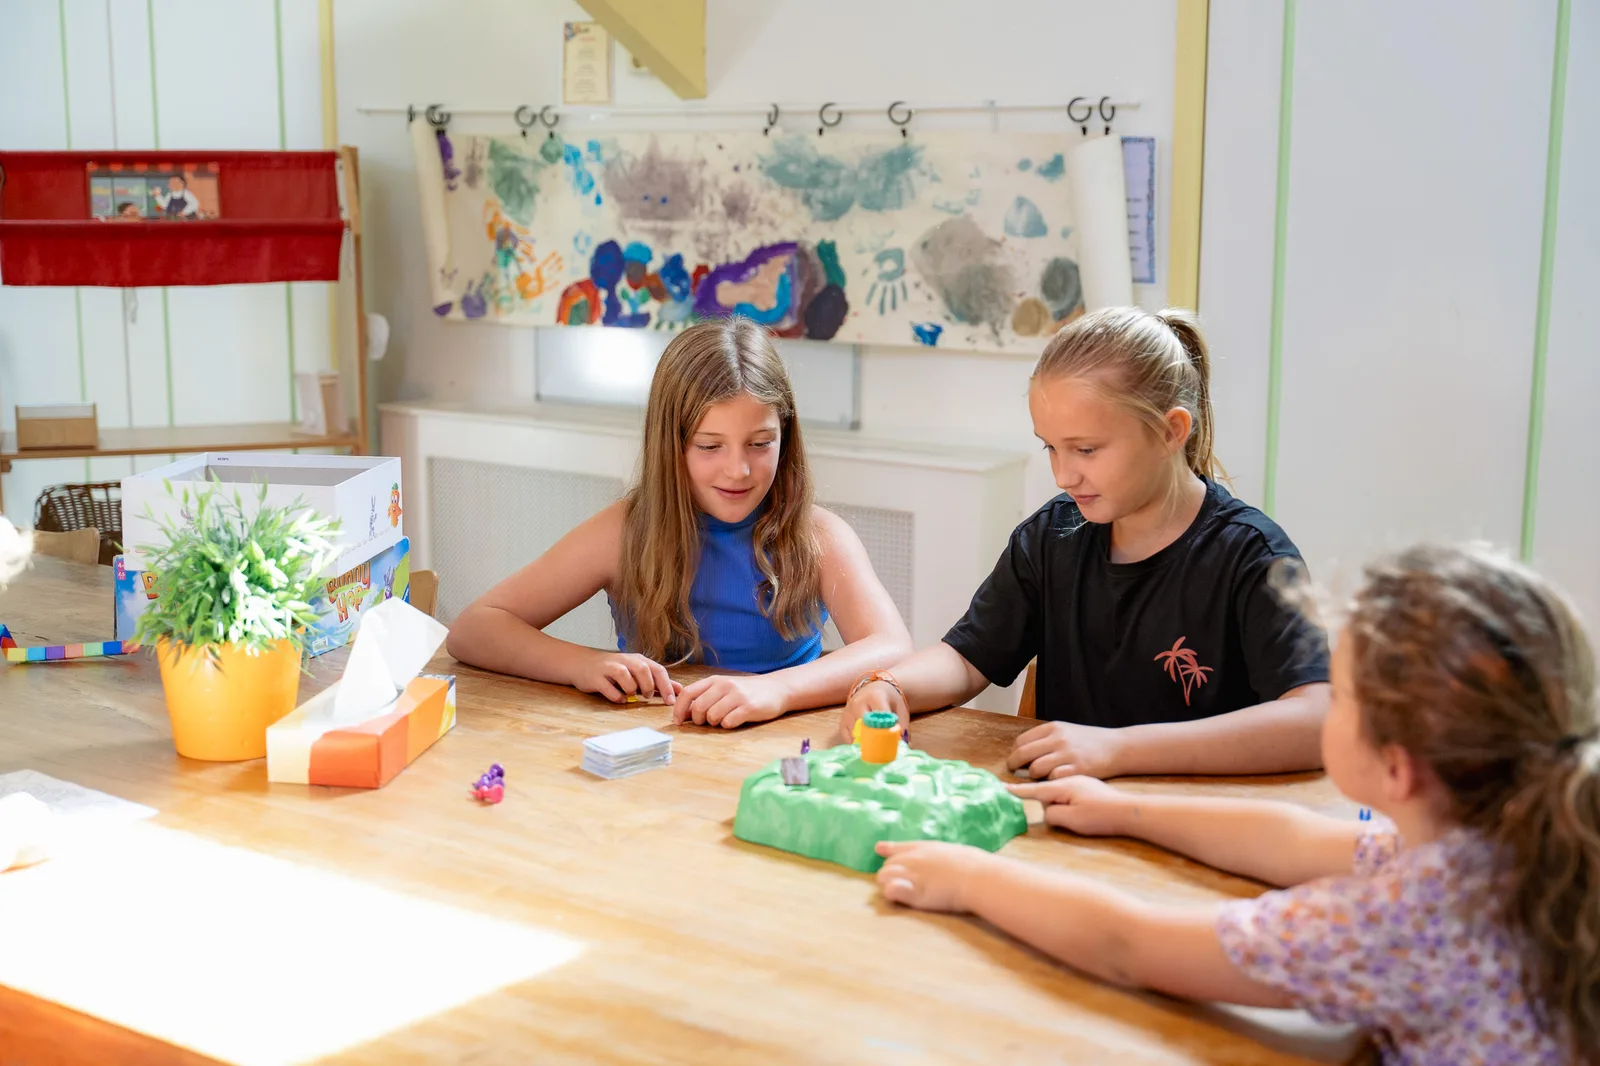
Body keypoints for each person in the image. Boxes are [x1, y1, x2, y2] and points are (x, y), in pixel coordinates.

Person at [875, 544, 1599, 1065]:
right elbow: (1296, 841)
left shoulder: (1418, 916)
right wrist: (1125, 811)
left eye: (1343, 696)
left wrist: (969, 878)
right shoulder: (1500, 844)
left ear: (1398, 768)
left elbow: (1130, 945)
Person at [838, 307, 1329, 778]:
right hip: (1069, 810)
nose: (1063, 475)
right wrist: (889, 685)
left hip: (1195, 819)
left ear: (1170, 431)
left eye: (1086, 450)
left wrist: (1118, 750)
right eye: (1051, 447)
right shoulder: (1051, 536)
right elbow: (967, 659)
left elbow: (1315, 721)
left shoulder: (1254, 558)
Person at [447, 318, 911, 728]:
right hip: (662, 750)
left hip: (782, 750)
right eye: (710, 446)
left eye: (760, 444)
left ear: (785, 439)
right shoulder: (624, 531)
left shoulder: (820, 536)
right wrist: (582, 665)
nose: (738, 470)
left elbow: (893, 646)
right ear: (670, 445)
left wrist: (777, 690)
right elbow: (474, 629)